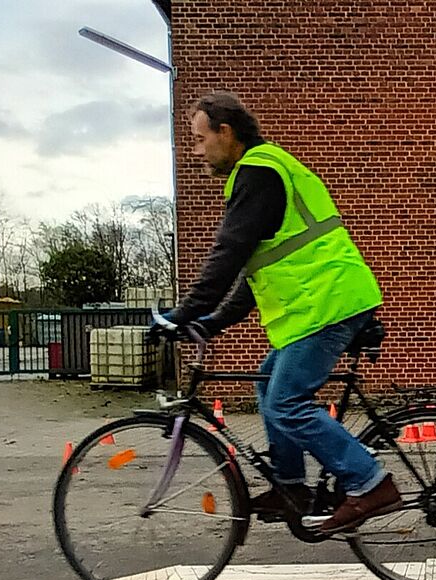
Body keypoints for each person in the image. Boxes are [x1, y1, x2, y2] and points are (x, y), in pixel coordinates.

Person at [153, 91, 401, 533]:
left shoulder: (259, 172)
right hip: (317, 303)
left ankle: (370, 482)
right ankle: (292, 488)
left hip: (328, 302)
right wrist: (210, 322)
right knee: (269, 384)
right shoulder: (263, 171)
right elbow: (255, 271)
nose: (196, 152)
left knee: (287, 402)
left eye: (200, 139)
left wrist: (183, 313)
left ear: (226, 132)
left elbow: (228, 253)